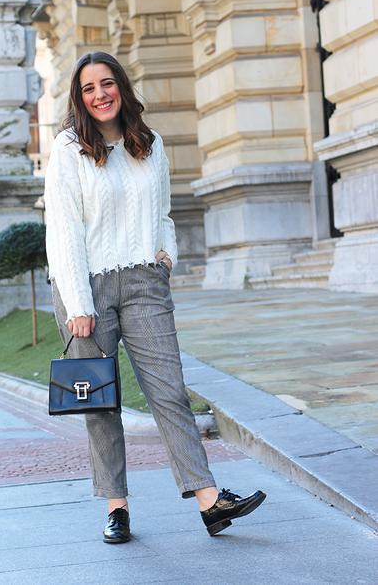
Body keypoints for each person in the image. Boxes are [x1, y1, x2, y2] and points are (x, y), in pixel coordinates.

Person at [44, 51, 266, 543]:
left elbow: (163, 211)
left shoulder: (150, 142)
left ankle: (209, 500)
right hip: (88, 287)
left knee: (168, 391)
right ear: (79, 99)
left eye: (107, 84)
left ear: (121, 87)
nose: (100, 94)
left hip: (145, 281)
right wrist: (78, 304)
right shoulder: (67, 148)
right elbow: (63, 230)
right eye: (88, 88)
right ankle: (116, 507)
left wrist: (166, 255)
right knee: (100, 402)